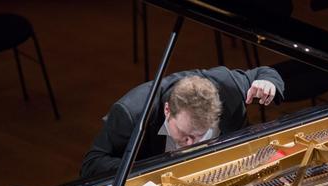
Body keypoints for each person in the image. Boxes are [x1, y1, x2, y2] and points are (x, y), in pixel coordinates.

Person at [81, 66, 284, 178]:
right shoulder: (132, 112)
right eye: (184, 135)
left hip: (229, 173)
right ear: (167, 110)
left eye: (199, 135)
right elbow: (91, 164)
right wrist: (147, 168)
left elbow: (263, 73)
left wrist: (269, 83)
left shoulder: (227, 86)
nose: (191, 144)